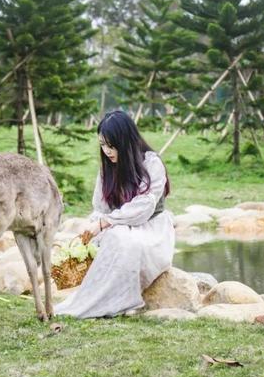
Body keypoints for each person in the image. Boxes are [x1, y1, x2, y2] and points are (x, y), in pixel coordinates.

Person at [54, 110, 175, 318]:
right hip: (120, 227)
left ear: (126, 142)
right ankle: (96, 300)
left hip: (151, 230)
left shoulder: (151, 164)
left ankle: (118, 300)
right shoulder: (107, 168)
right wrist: (96, 227)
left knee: (121, 238)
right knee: (112, 237)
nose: (107, 151)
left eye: (111, 145)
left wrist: (105, 223)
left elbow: (143, 208)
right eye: (103, 144)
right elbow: (101, 208)